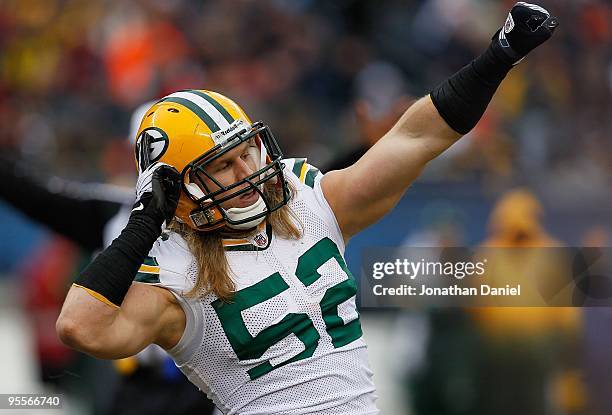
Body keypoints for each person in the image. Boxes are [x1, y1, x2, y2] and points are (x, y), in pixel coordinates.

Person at [57, 3, 558, 414]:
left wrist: (499, 55)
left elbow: (416, 137)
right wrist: (146, 218)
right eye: (224, 165)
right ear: (178, 188)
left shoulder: (306, 204)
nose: (248, 171)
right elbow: (81, 327)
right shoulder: (175, 272)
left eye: (247, 152)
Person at [0, 105, 216, 415]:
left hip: (210, 384)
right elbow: (35, 196)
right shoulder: (114, 211)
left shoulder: (227, 217)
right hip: (140, 385)